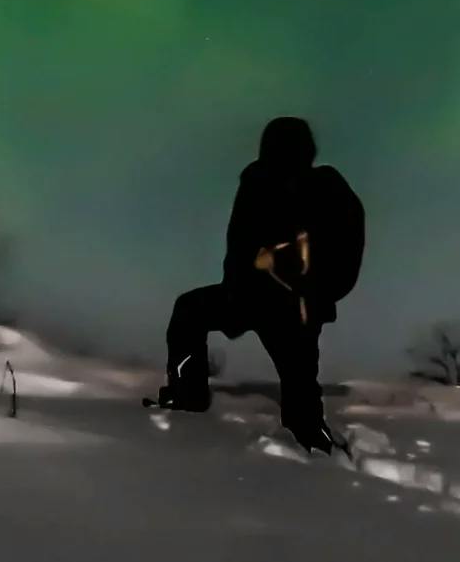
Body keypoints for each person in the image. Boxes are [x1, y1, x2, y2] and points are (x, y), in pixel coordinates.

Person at [155, 115, 364, 452]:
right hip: (248, 296)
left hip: (293, 306)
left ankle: (319, 451)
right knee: (189, 312)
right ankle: (186, 398)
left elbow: (344, 251)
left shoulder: (325, 188)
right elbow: (240, 243)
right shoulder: (256, 181)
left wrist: (311, 290)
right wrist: (238, 282)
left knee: (301, 399)